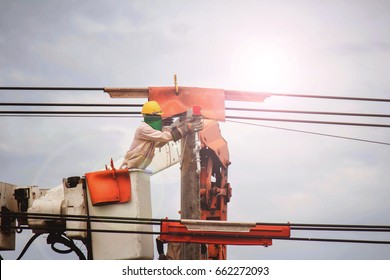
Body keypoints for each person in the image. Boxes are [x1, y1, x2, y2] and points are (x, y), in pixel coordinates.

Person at [120, 100, 203, 170]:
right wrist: (186, 129)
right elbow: (165, 136)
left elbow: (160, 142)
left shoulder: (150, 132)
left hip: (137, 168)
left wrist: (182, 124)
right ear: (150, 116)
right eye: (157, 116)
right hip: (128, 168)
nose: (159, 118)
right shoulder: (144, 129)